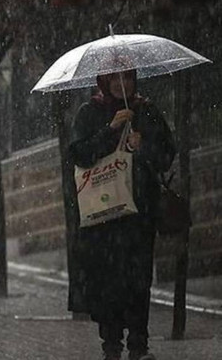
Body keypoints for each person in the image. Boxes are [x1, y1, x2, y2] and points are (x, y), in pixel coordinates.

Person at [70, 69, 175, 360]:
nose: (121, 84)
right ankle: (112, 345)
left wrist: (145, 147)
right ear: (103, 81)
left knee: (139, 280)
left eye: (126, 77)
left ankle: (139, 346)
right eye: (114, 78)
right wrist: (111, 131)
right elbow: (79, 154)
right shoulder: (89, 112)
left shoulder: (145, 110)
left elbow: (167, 155)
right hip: (104, 217)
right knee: (109, 282)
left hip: (138, 215)